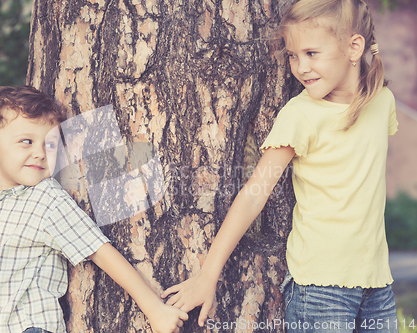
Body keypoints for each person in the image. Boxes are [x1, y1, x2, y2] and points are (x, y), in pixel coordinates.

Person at [161, 0, 399, 332]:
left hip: (377, 282)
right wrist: (207, 275)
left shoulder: (381, 103)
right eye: (292, 55)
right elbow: (253, 195)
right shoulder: (299, 115)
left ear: (353, 47)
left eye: (312, 53)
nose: (300, 68)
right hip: (321, 288)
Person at [0, 86, 188, 333]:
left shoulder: (45, 198)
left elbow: (99, 250)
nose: (39, 153)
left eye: (50, 145)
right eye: (26, 141)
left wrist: (155, 309)